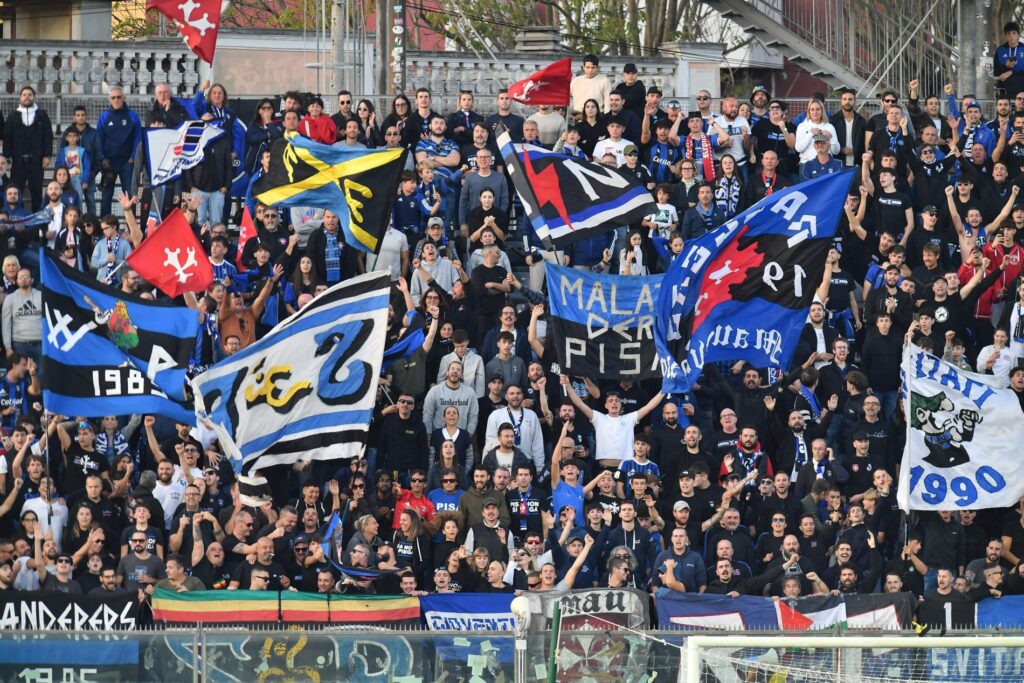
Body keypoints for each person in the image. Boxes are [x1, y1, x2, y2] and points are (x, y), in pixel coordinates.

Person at [4, 86, 53, 211]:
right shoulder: (13, 116)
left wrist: (47, 155)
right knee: (16, 191)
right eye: (24, 95)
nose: (27, 97)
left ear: (34, 97)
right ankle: (16, 217)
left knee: (37, 193)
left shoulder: (42, 115)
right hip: (18, 162)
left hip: (36, 162)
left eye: (29, 95)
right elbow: (7, 137)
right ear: (20, 98)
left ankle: (37, 220)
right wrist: (7, 157)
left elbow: (48, 136)